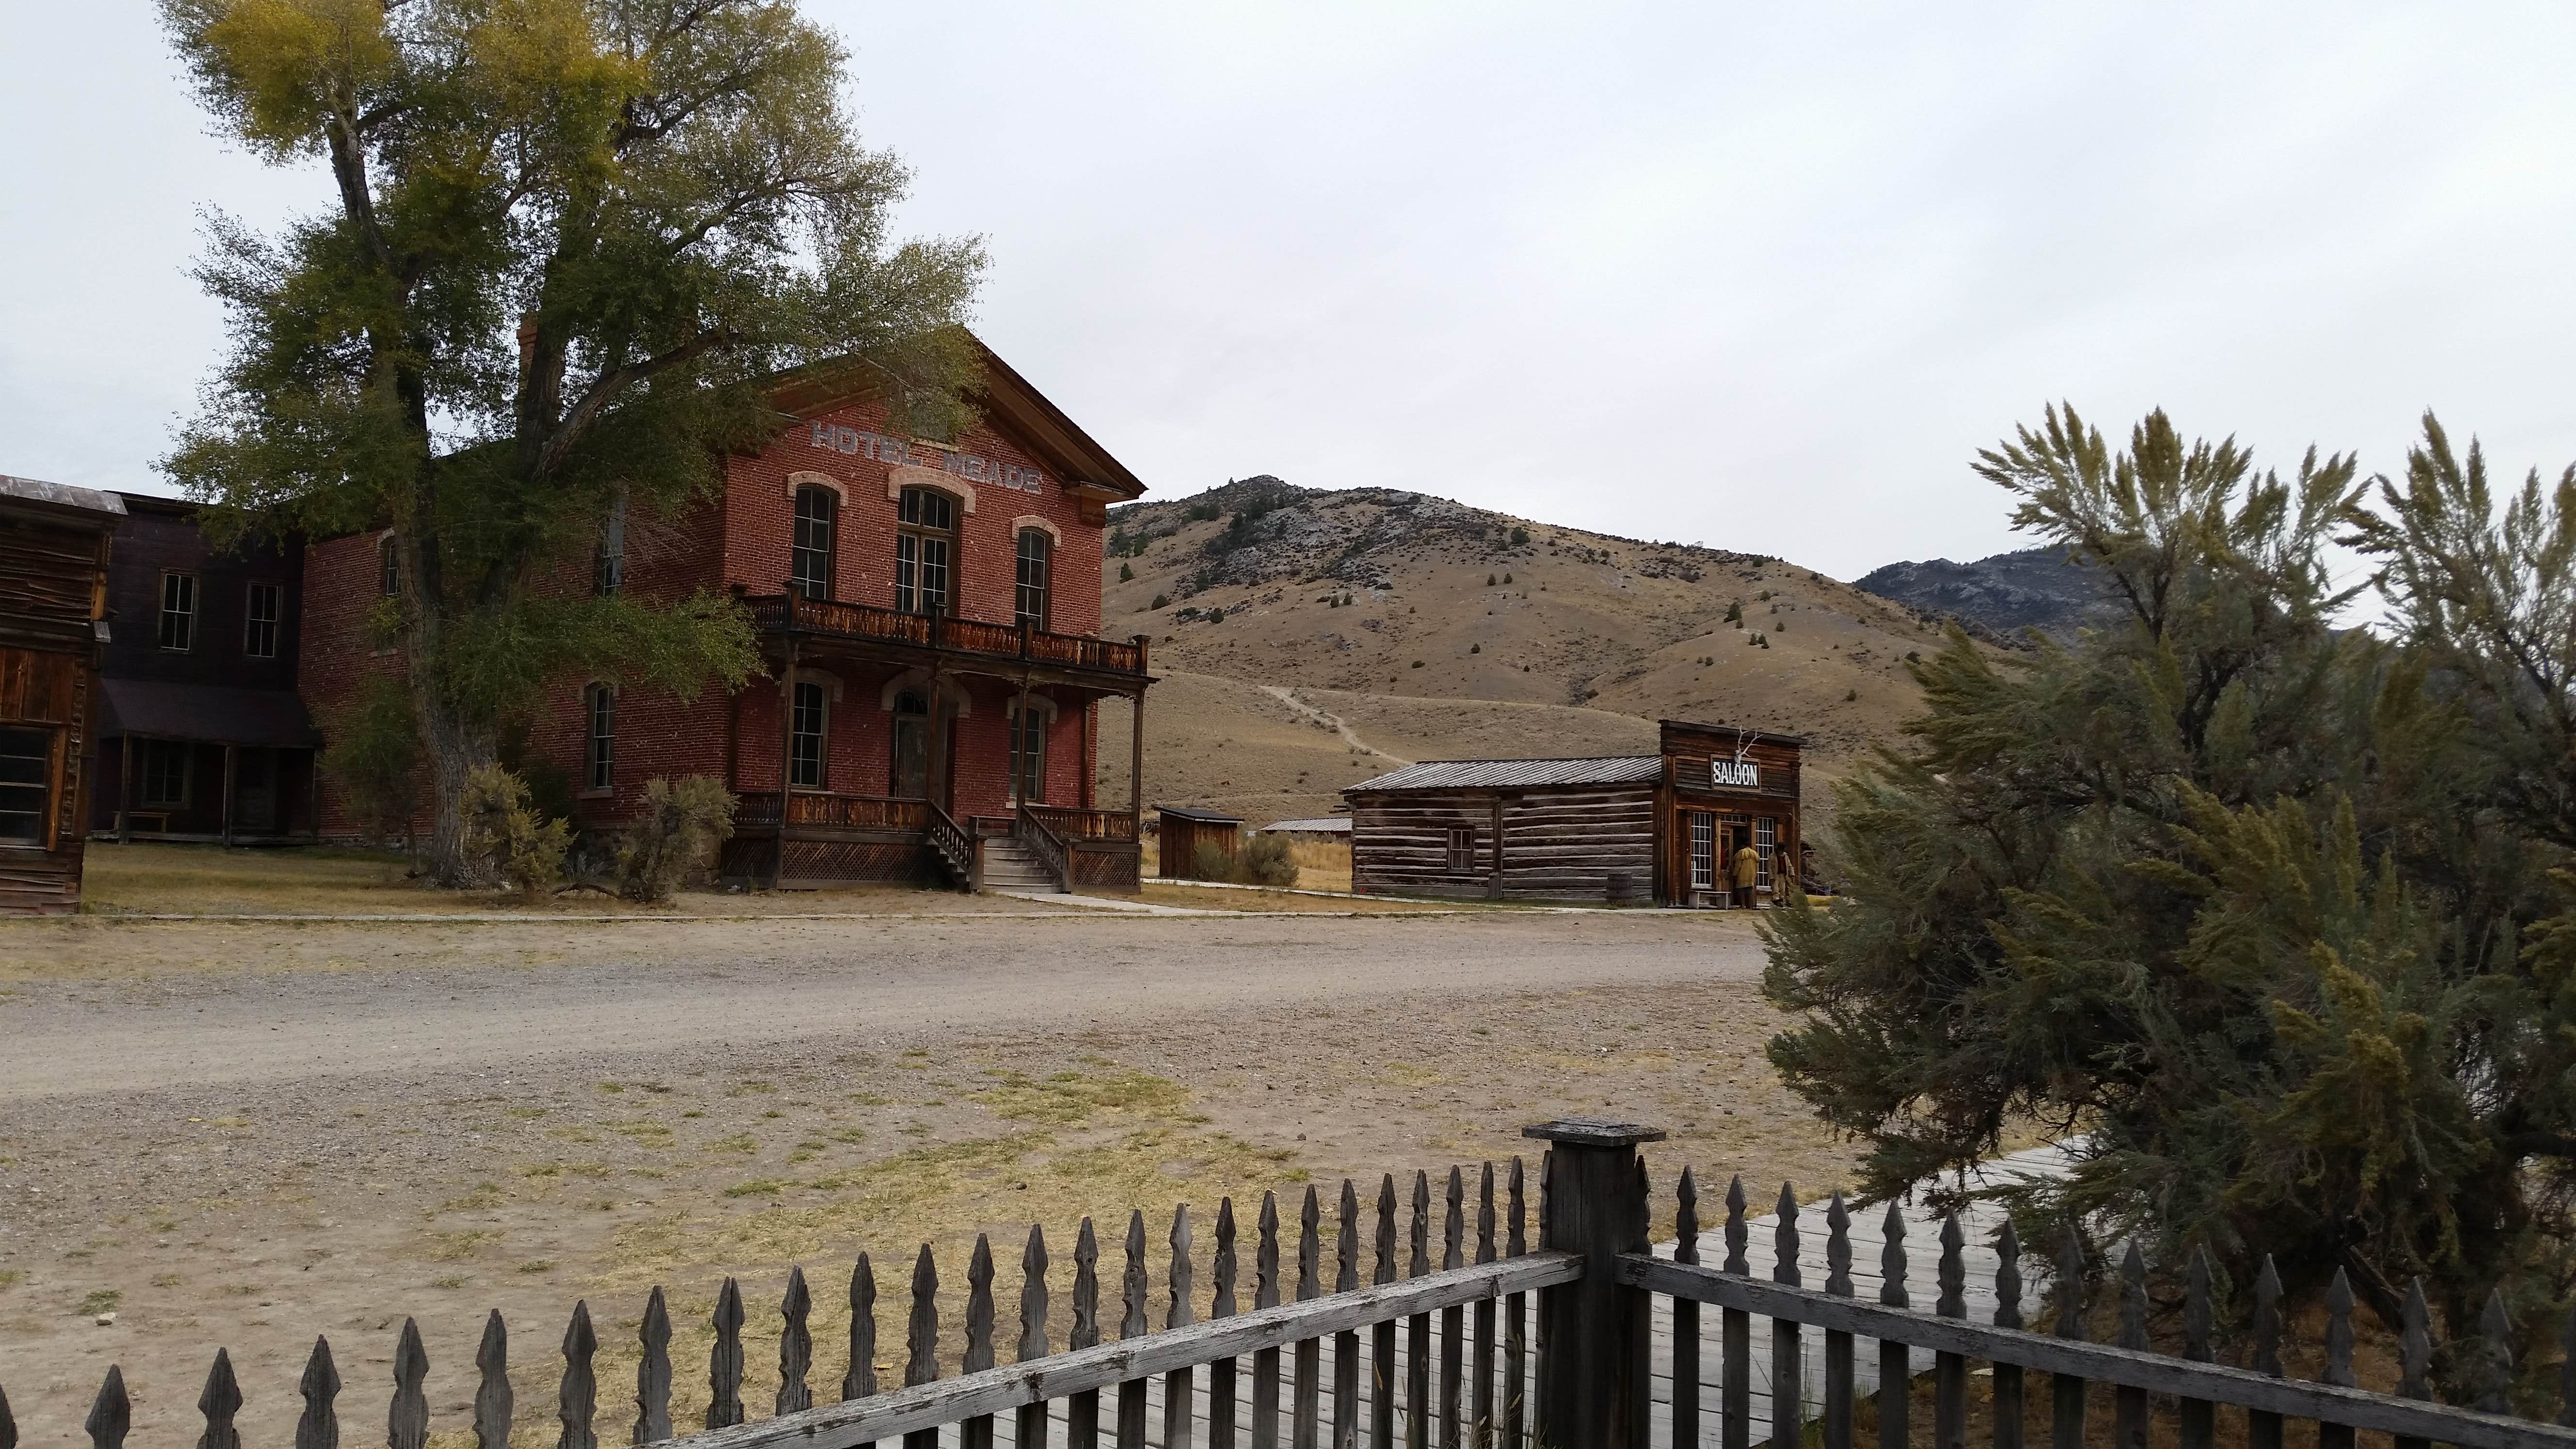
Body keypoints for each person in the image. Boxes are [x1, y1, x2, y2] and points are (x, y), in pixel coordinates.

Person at [1733, 840, 1762, 906]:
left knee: (1741, 890)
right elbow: (1757, 866)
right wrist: (1756, 873)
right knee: (1750, 891)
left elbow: (1738, 865)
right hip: (1752, 874)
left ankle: (1743, 905)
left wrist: (1735, 874)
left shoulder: (1741, 852)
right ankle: (1750, 905)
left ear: (1743, 845)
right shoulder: (1755, 853)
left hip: (1742, 874)